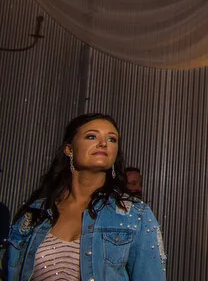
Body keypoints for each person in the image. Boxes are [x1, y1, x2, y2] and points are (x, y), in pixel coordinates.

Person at [4, 113, 166, 281]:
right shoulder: (35, 214)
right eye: (91, 136)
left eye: (112, 139)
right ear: (69, 148)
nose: (103, 143)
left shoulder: (135, 215)